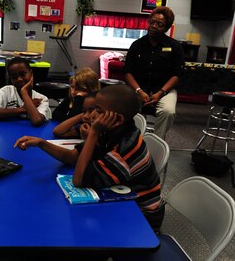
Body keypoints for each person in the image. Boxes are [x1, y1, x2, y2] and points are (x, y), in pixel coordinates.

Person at [15, 85, 164, 230]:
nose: (91, 115)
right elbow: (73, 157)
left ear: (117, 119)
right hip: (122, 200)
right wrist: (42, 143)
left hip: (141, 218)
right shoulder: (111, 130)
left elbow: (78, 181)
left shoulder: (122, 152)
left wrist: (93, 133)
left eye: (97, 110)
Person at [123, 6, 184, 139]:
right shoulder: (136, 45)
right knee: (127, 108)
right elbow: (128, 72)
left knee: (168, 111)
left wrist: (161, 93)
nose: (154, 26)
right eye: (152, 22)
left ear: (167, 28)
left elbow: (177, 75)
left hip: (164, 90)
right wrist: (139, 91)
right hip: (138, 88)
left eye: (159, 24)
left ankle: (156, 142)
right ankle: (133, 141)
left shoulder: (175, 47)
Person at [0, 57, 52, 126]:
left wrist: (24, 92)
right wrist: (23, 109)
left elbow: (37, 121)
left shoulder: (41, 99)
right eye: (14, 77)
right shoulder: (6, 91)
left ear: (31, 73)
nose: (19, 79)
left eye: (23, 74)